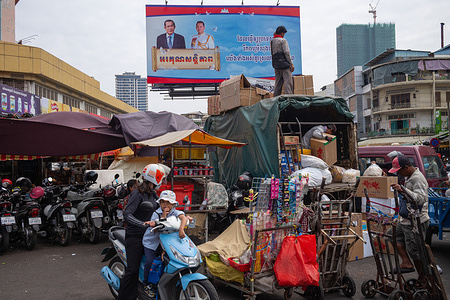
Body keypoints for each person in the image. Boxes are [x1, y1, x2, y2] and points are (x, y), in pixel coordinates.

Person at [117, 164, 165, 300]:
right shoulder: (137, 193)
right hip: (135, 236)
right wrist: (142, 224)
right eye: (160, 177)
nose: (161, 180)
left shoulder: (154, 194)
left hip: (149, 235)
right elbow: (127, 214)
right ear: (153, 178)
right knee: (132, 270)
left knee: (161, 261)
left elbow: (159, 210)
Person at [388, 154, 430, 287]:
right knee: (391, 234)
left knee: (415, 251)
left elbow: (420, 199)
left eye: (399, 170)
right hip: (406, 219)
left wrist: (403, 189)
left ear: (406, 167)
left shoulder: (417, 179)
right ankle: (406, 262)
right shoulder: (409, 176)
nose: (399, 173)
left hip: (416, 221)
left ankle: (423, 278)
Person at [142, 190, 189, 296]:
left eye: (168, 202)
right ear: (160, 203)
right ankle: (146, 284)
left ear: (173, 204)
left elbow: (184, 218)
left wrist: (181, 229)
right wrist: (164, 215)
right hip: (152, 243)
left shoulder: (175, 212)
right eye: (163, 202)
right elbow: (158, 225)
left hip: (167, 243)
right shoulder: (156, 213)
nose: (165, 204)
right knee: (150, 262)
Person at [270, 25, 294, 97]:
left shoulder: (272, 41)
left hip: (276, 65)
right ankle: (289, 100)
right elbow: (287, 52)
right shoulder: (283, 41)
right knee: (288, 83)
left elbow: (272, 53)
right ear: (282, 33)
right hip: (284, 65)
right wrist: (291, 64)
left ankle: (275, 100)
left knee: (278, 84)